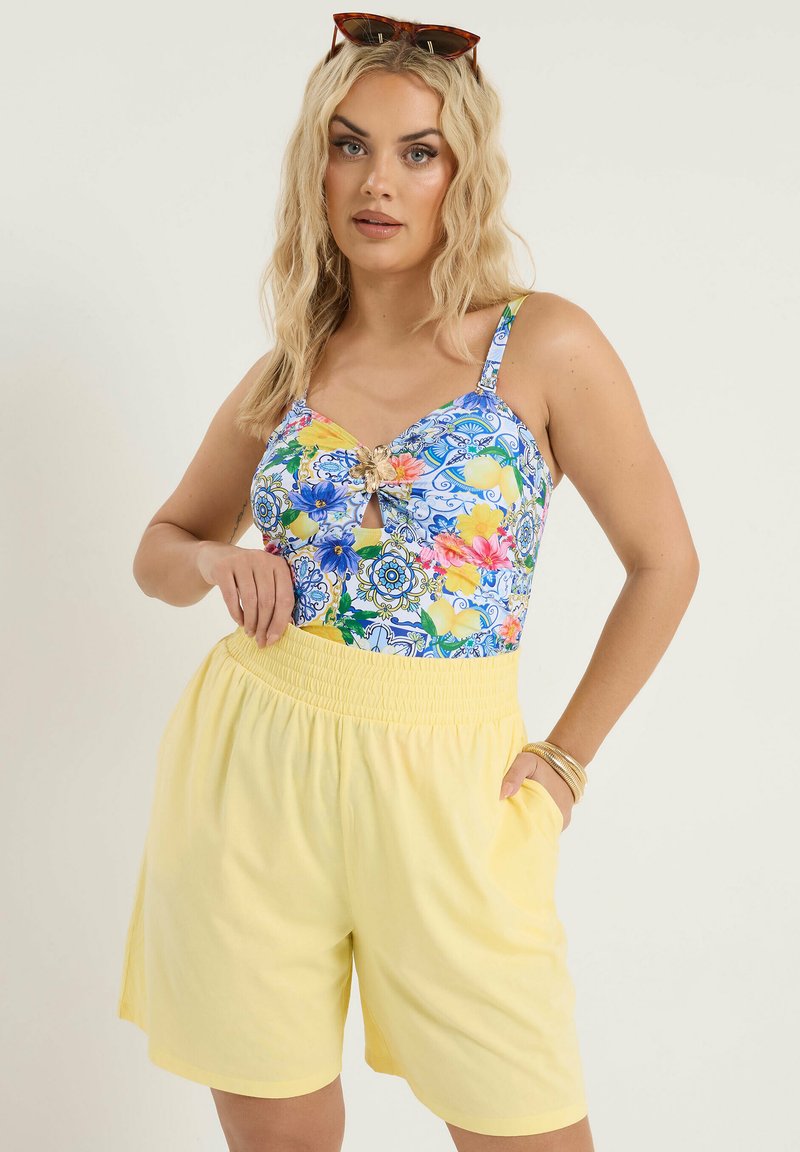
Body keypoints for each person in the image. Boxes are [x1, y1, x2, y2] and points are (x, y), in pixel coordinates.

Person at [116, 13, 700, 1152]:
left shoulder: (542, 345)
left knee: (524, 1123)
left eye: (416, 152)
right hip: (254, 770)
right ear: (316, 168)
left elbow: (664, 562)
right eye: (349, 146)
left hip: (455, 789)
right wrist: (213, 560)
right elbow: (160, 546)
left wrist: (565, 760)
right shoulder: (290, 366)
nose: (377, 181)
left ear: (460, 173)